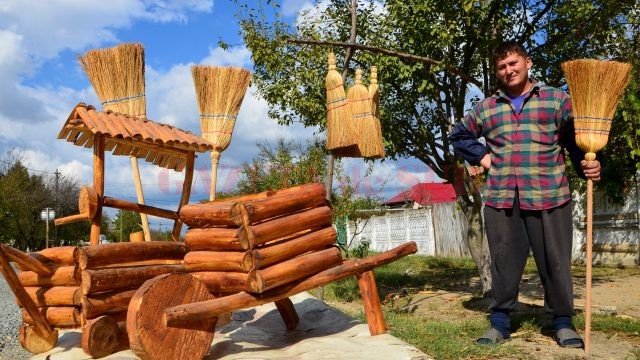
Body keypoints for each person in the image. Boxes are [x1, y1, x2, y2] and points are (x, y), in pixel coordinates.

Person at [449, 41, 602, 348]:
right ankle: (500, 323)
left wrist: (593, 165)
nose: (509, 70)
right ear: (498, 72)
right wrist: (482, 157)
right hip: (502, 198)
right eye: (502, 67)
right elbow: (459, 134)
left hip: (550, 194)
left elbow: (576, 141)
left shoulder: (556, 100)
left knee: (554, 261)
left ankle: (562, 322)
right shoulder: (487, 108)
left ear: (528, 62)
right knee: (503, 263)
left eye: (513, 63)